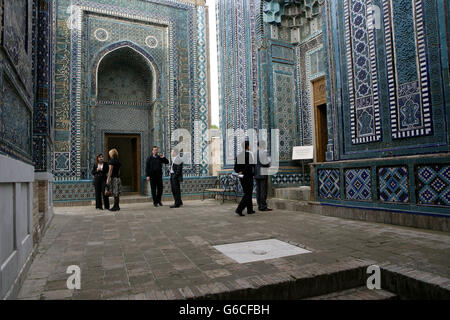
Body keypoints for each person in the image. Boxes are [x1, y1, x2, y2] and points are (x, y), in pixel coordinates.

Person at [234, 140, 256, 216]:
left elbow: (235, 167)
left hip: (241, 176)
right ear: (247, 146)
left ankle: (250, 209)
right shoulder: (248, 155)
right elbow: (250, 166)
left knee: (247, 193)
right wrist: (243, 171)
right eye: (249, 145)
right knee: (248, 193)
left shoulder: (239, 155)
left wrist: (239, 171)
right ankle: (239, 209)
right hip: (248, 176)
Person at [255, 141, 273, 212]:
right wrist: (270, 163)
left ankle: (259, 205)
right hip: (262, 174)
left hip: (256, 174)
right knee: (263, 190)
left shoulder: (255, 153)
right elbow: (265, 163)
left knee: (258, 190)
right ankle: (263, 206)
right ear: (263, 145)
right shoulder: (263, 153)